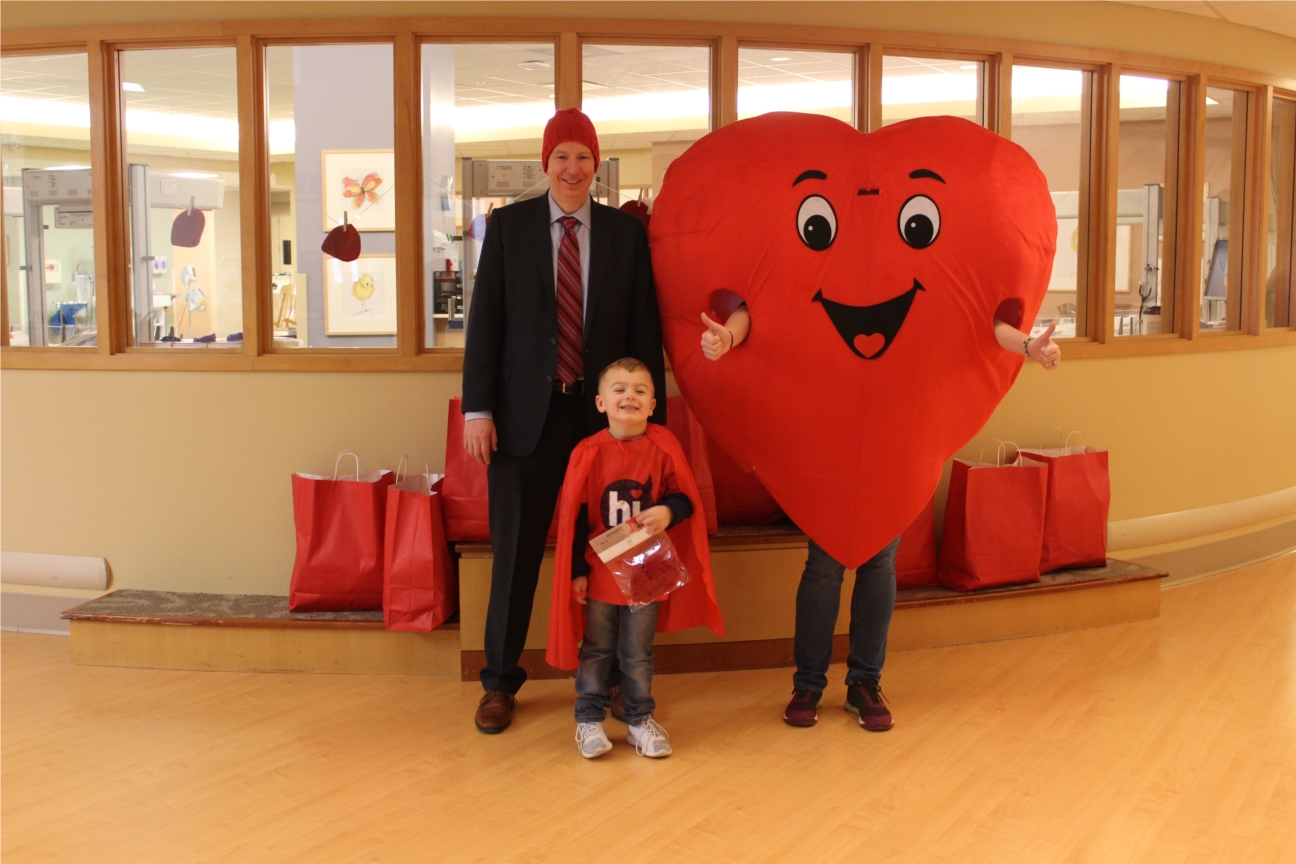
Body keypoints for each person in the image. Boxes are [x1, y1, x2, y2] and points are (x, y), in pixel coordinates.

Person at [700, 305, 1061, 731]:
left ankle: (865, 683)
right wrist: (728, 335)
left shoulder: (914, 270)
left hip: (894, 441)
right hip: (829, 439)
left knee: (879, 563)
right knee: (824, 566)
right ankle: (808, 685)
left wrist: (1027, 344)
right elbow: (767, 302)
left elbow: (973, 317)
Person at [462, 108, 667, 734]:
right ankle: (499, 682)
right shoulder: (509, 227)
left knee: (609, 552)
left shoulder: (625, 235)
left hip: (601, 423)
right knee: (516, 556)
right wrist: (478, 409)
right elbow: (486, 323)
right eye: (561, 158)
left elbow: (643, 331)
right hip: (524, 421)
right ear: (545, 165)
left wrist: (642, 413)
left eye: (583, 157)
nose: (573, 168)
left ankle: (606, 680)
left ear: (596, 164)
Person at [543, 358, 723, 758]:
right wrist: (576, 572)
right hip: (600, 570)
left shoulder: (664, 445)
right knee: (597, 648)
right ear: (601, 403)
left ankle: (640, 720)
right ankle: (588, 719)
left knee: (638, 651)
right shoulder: (587, 452)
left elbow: (684, 498)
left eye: (640, 390)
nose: (630, 396)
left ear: (653, 404)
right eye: (620, 389)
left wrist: (668, 511)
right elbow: (572, 518)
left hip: (648, 570)